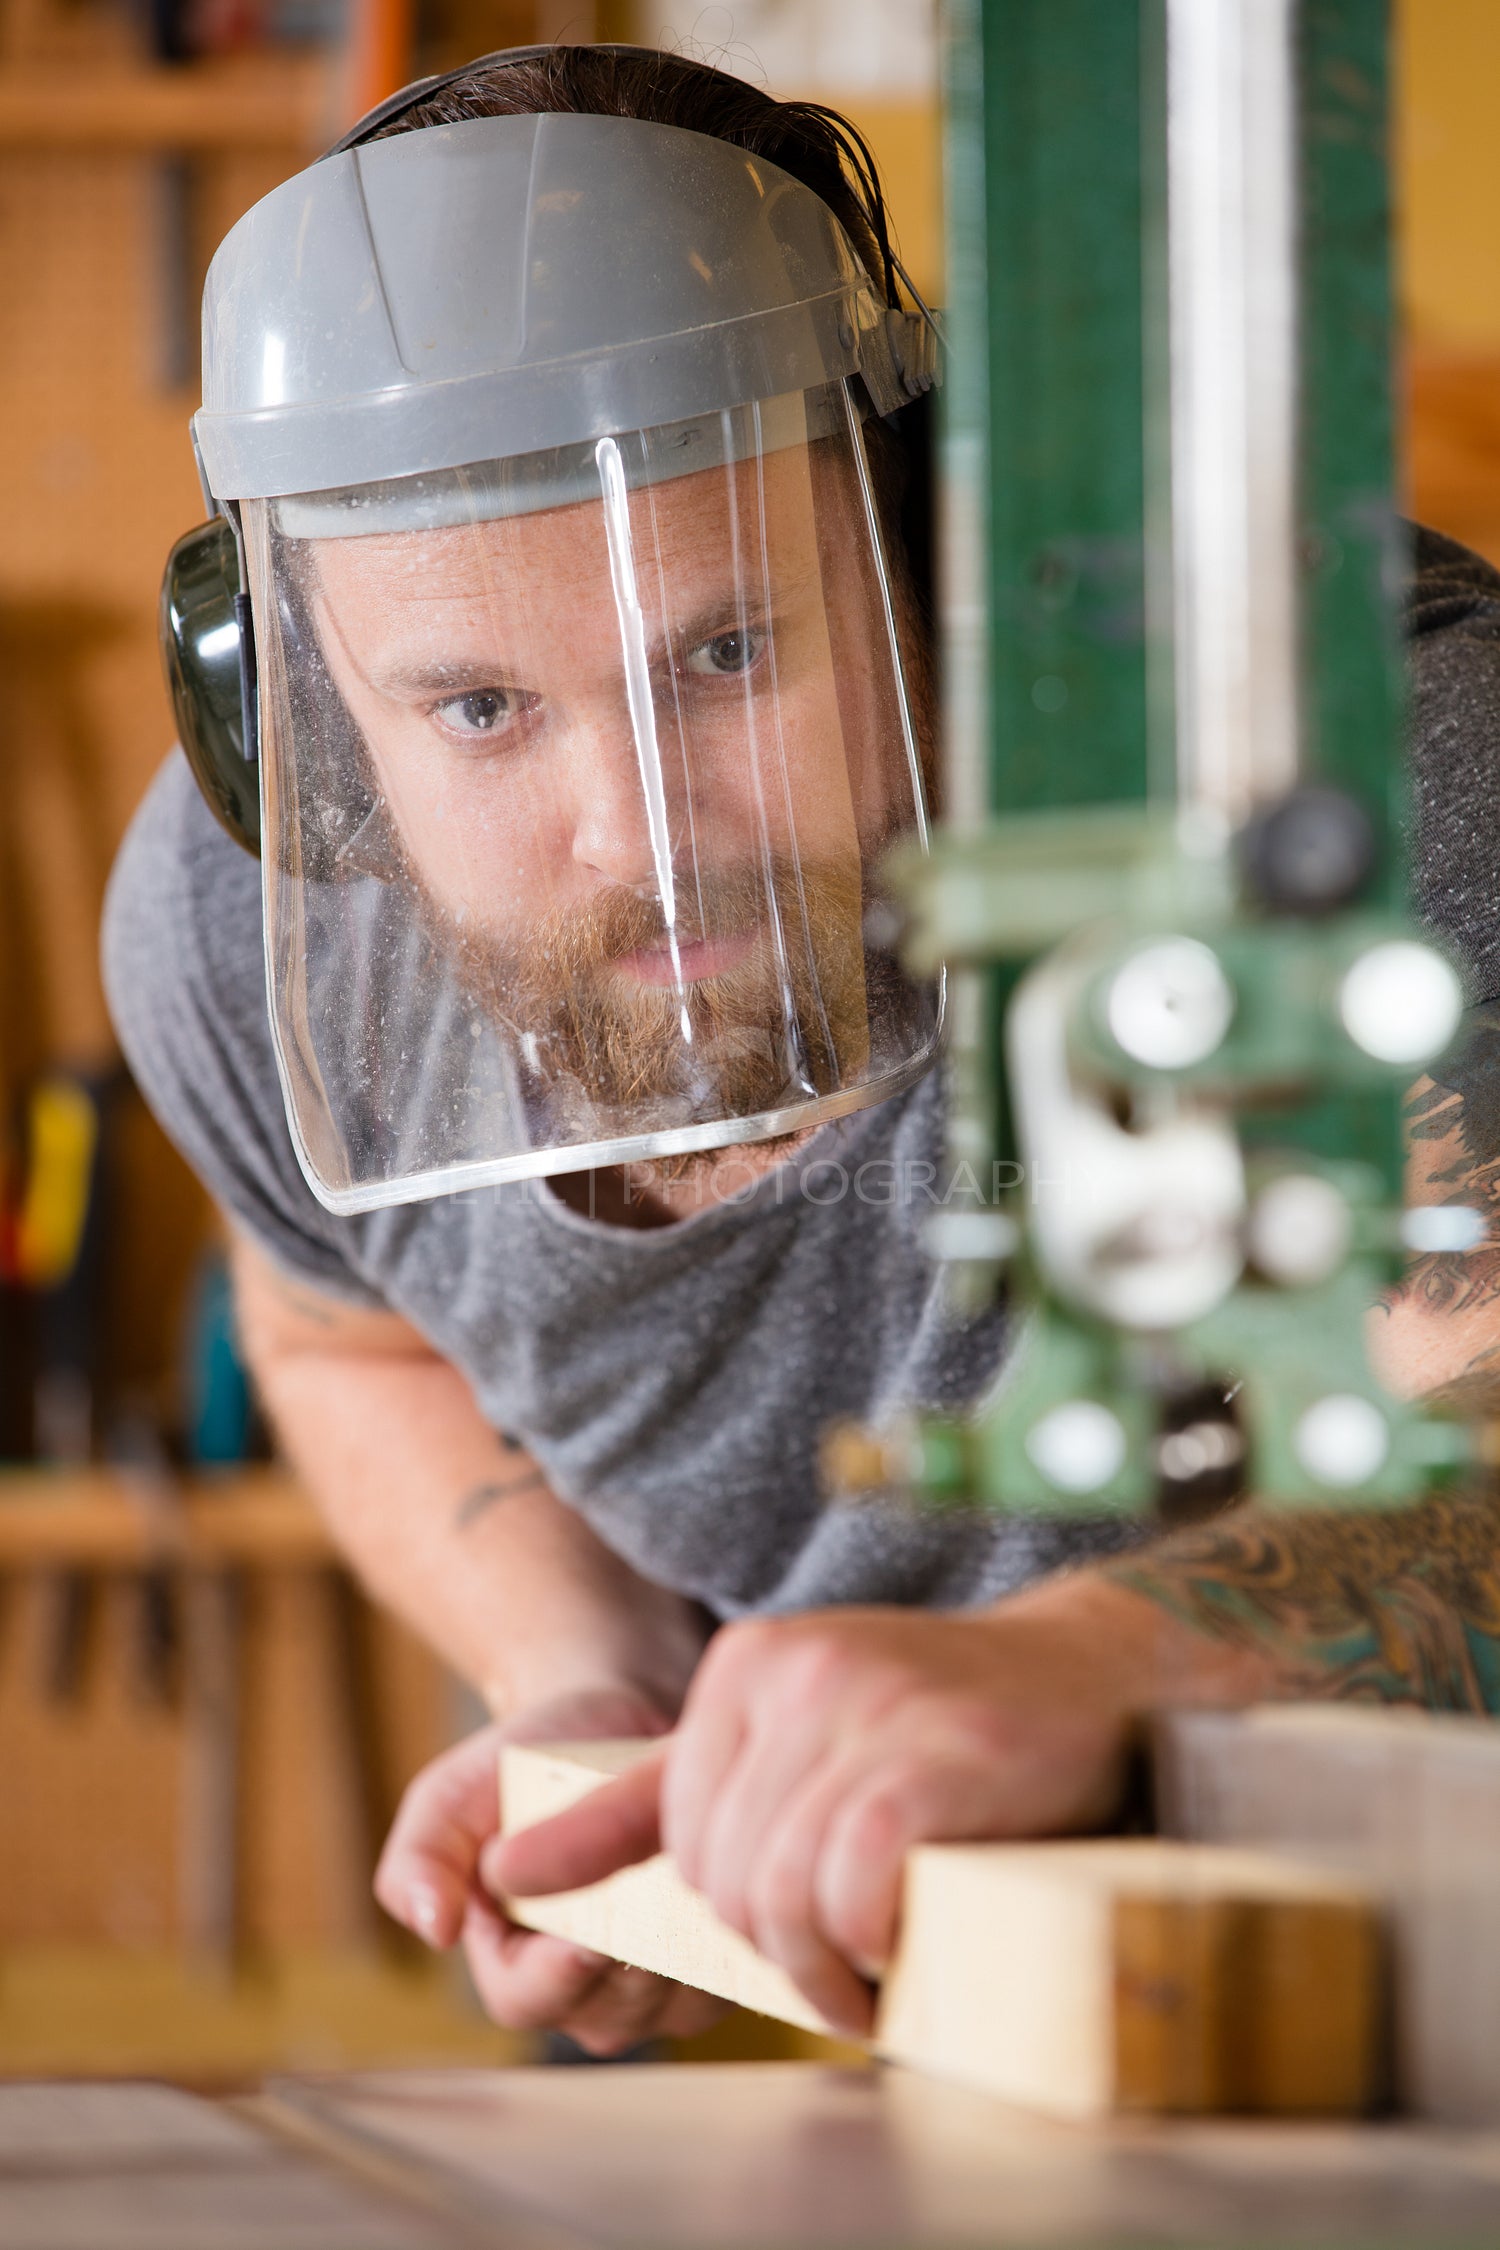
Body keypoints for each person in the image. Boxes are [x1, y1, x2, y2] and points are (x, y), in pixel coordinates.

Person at [104, 43, 1500, 2054]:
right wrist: (574, 1672)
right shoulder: (245, 919)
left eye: (727, 651)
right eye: (482, 709)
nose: (634, 830)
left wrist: (1115, 1657)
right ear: (292, 705)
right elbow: (337, 1326)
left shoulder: (1338, 791)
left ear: (921, 530)